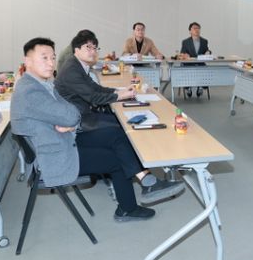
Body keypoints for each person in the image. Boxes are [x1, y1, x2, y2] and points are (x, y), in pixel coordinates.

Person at [10, 37, 156, 222]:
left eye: (53, 57)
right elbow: (72, 114)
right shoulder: (30, 90)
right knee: (116, 159)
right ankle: (128, 209)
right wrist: (69, 120)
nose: (51, 63)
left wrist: (69, 121)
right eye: (44, 57)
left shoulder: (41, 83)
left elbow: (69, 111)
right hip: (54, 154)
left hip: (61, 138)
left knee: (115, 134)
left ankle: (146, 180)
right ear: (28, 61)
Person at [55, 30, 184, 204]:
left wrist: (119, 91)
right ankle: (147, 180)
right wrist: (119, 96)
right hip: (78, 122)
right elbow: (93, 97)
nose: (93, 51)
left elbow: (96, 88)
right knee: (123, 129)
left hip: (82, 115)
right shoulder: (72, 69)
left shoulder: (78, 65)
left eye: (95, 47)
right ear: (76, 49)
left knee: (125, 124)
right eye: (88, 47)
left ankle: (149, 175)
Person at [180, 22, 211, 98]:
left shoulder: (204, 41)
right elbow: (182, 53)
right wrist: (185, 55)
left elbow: (207, 50)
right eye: (194, 28)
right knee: (186, 69)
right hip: (189, 64)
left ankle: (200, 86)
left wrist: (208, 52)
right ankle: (188, 87)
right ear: (190, 31)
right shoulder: (185, 42)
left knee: (205, 69)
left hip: (200, 63)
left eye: (198, 28)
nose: (197, 30)